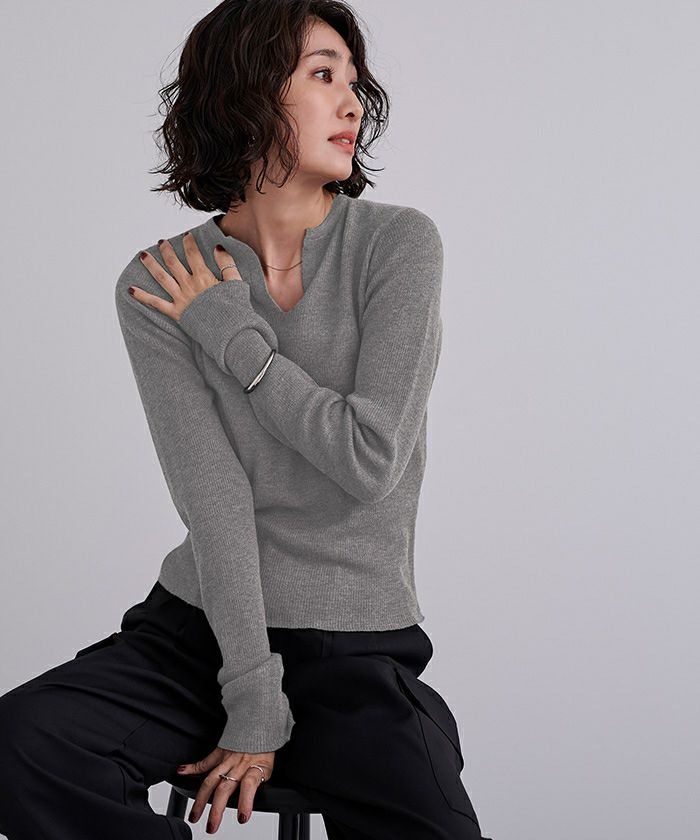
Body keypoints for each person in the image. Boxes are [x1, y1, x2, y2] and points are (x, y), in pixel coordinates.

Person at [0, 2, 493, 838]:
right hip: (201, 633)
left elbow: (368, 458)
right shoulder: (161, 280)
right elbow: (216, 501)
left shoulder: (398, 246)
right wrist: (254, 698)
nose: (353, 102)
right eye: (323, 74)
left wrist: (236, 340)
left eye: (354, 80)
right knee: (22, 745)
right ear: (248, 94)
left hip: (355, 645)